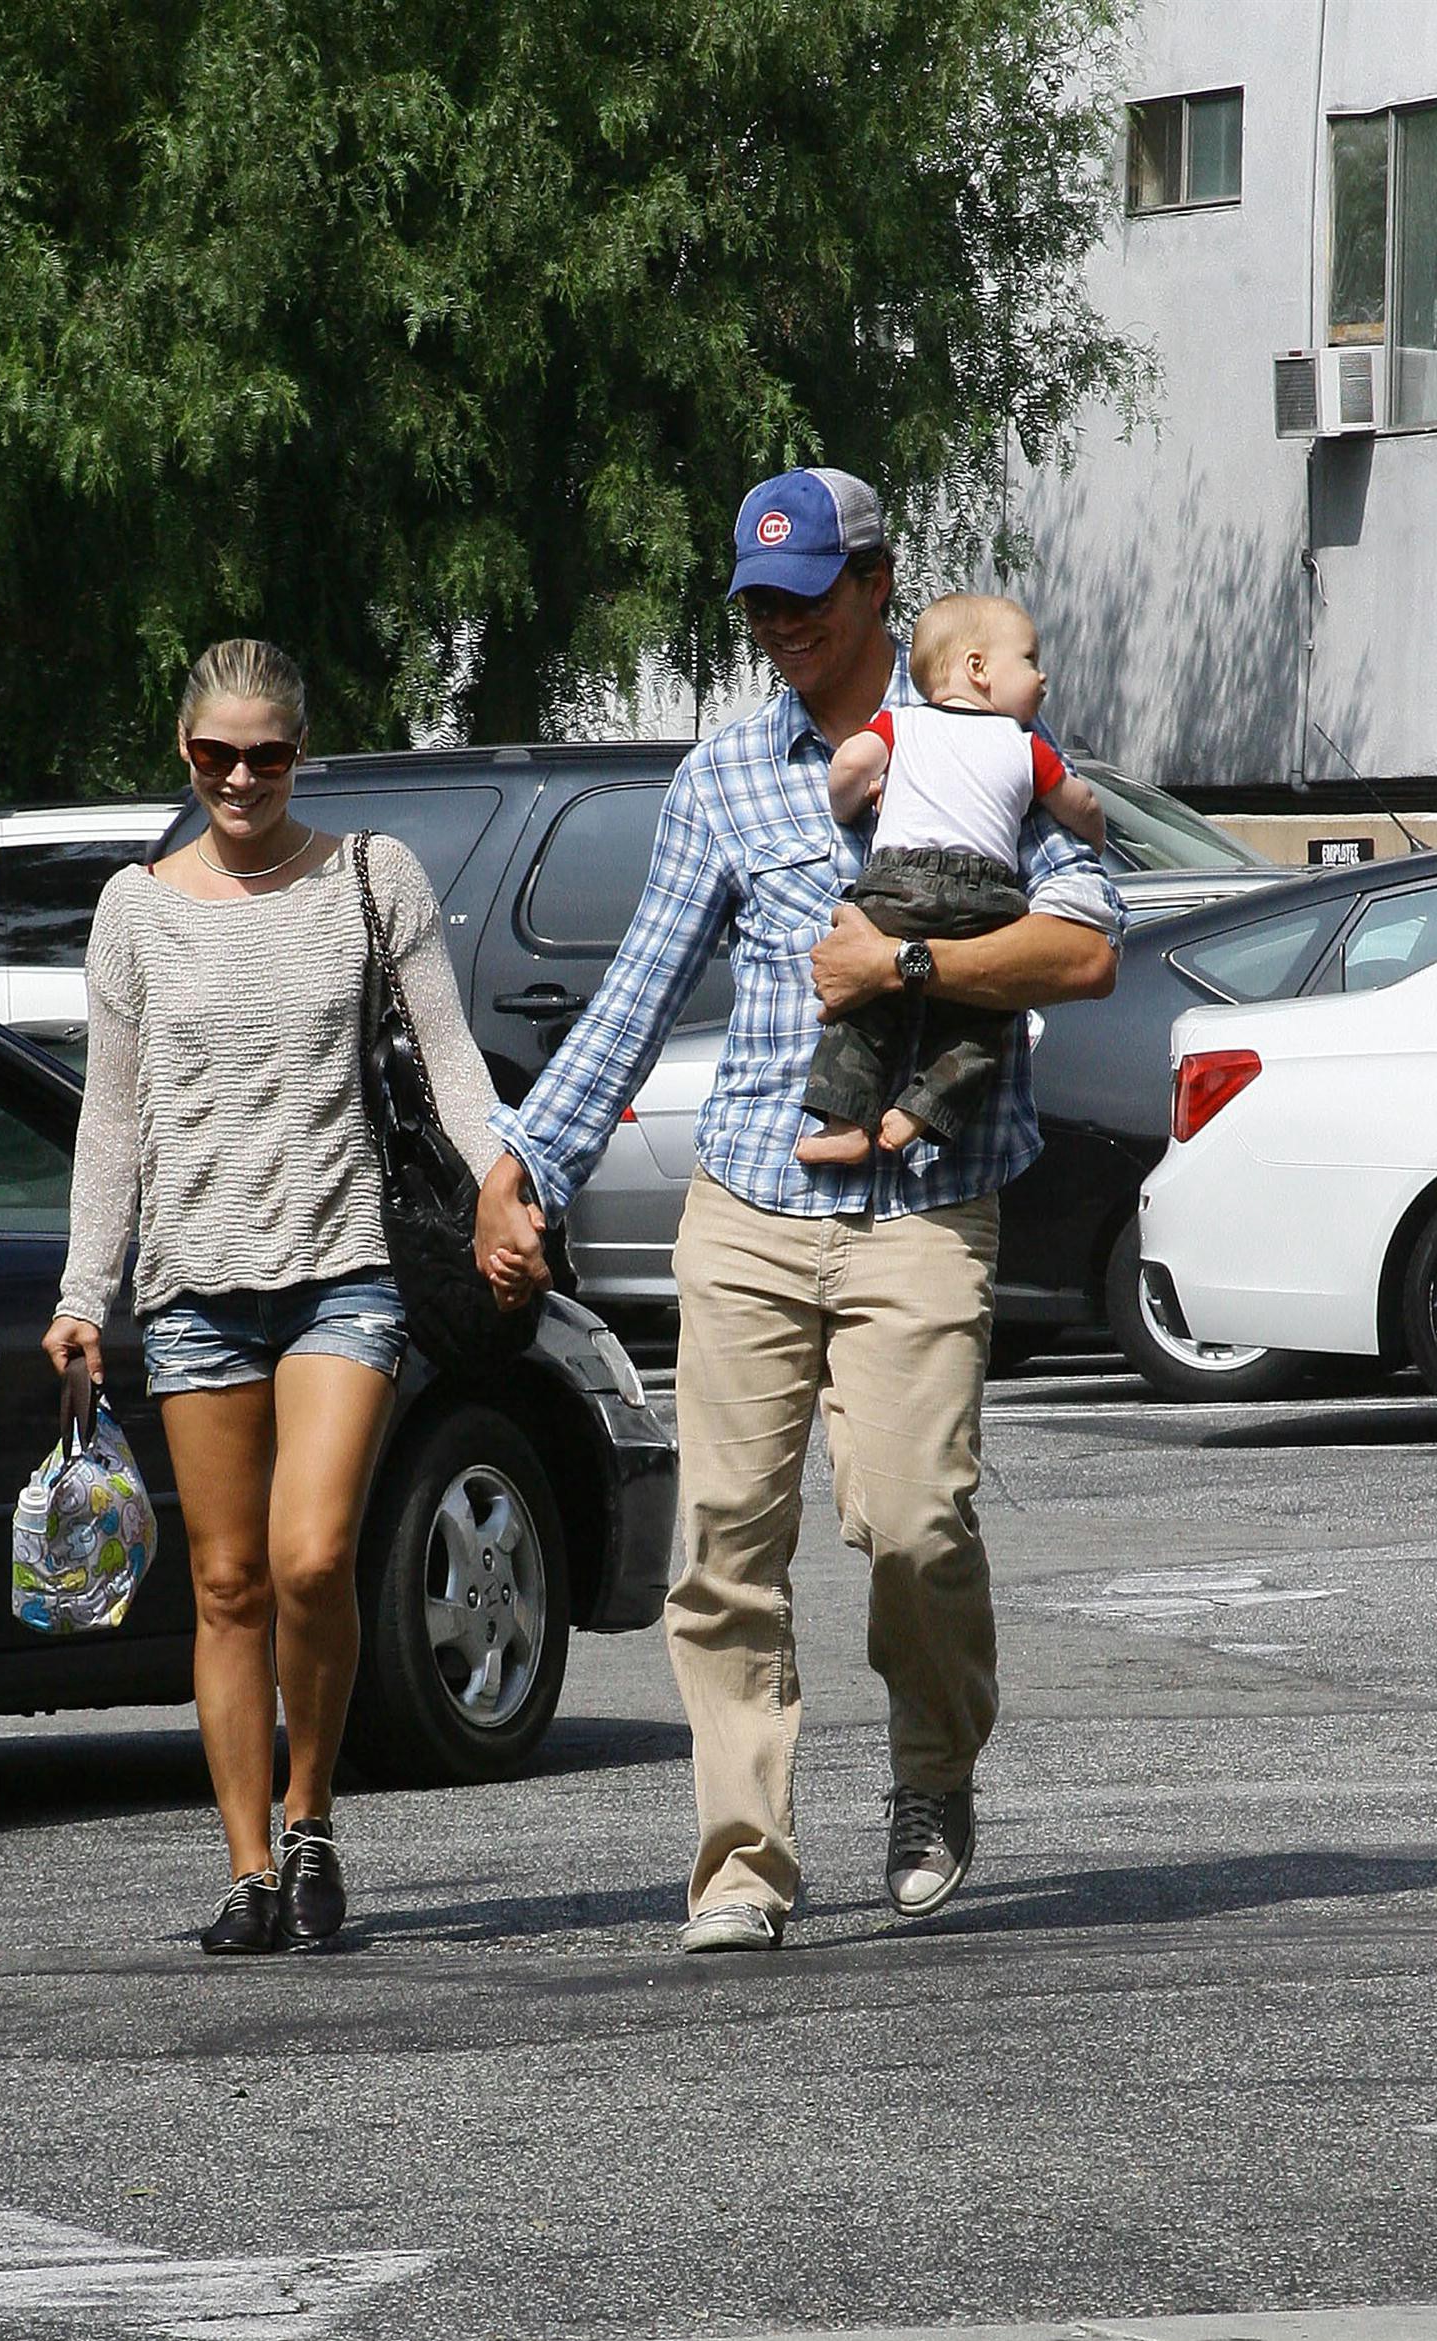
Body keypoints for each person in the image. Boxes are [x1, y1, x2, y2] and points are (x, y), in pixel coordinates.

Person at [476, 468, 1122, 1953]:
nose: (779, 624)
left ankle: (933, 1768)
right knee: (722, 1545)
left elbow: (1085, 950)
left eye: (806, 595)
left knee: (913, 1523)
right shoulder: (724, 778)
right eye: (756, 600)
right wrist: (532, 1165)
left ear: (879, 587)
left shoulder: (994, 735)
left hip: (926, 1201)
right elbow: (635, 992)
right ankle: (742, 1858)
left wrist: (904, 973)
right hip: (752, 1201)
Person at [43, 638, 502, 1956]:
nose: (241, 777)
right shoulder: (136, 908)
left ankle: (313, 1814)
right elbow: (113, 1119)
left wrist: (503, 1178)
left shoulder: (369, 878)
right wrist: (87, 1287)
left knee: (311, 1558)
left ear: (301, 754)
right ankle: (252, 1868)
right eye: (214, 755)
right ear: (184, 754)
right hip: (193, 1287)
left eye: (268, 754)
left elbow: (452, 1059)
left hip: (342, 1270)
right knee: (229, 1580)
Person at [796, 591, 1105, 1167]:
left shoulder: (901, 725)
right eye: (1030, 660)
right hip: (987, 895)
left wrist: (849, 805)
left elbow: (849, 765)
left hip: (899, 881)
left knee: (860, 1007)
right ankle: (925, 1105)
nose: (1042, 678)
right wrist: (1097, 832)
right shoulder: (1025, 745)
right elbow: (1077, 802)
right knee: (983, 1015)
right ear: (978, 669)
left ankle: (844, 1121)